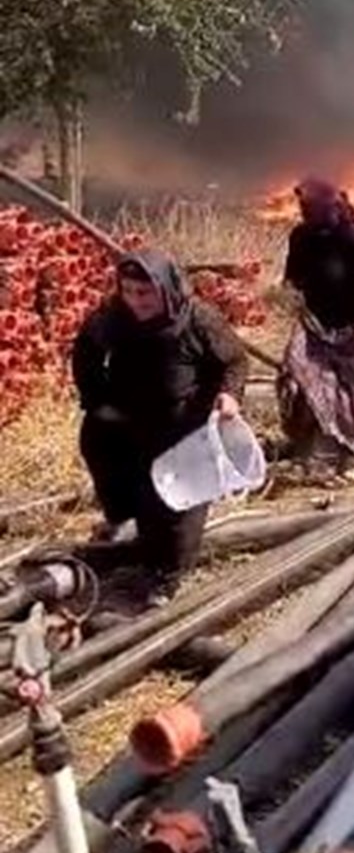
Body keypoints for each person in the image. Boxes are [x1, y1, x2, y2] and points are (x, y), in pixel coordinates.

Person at [72, 251, 248, 605]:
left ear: (165, 288)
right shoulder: (113, 317)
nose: (137, 301)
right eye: (130, 291)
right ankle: (128, 527)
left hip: (183, 423)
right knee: (103, 448)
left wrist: (229, 396)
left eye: (146, 292)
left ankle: (166, 577)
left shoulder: (197, 319)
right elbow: (85, 353)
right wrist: (98, 400)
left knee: (175, 506)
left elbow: (233, 360)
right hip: (130, 419)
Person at [279, 177, 354, 468]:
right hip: (314, 322)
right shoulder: (301, 236)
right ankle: (303, 445)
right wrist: (287, 292)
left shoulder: (351, 235)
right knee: (297, 379)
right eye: (304, 207)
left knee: (349, 391)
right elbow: (292, 275)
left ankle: (347, 453)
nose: (306, 212)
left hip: (351, 324)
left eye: (311, 207)